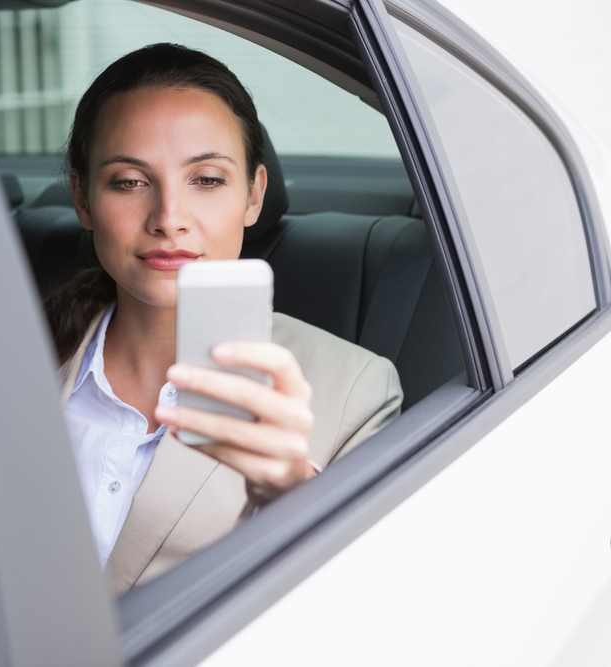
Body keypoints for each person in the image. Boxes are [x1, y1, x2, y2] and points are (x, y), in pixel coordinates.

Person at [45, 43, 402, 596]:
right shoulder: (11, 361)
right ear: (83, 199)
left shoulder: (353, 393)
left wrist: (291, 495)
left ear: (253, 195)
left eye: (207, 179)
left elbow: (369, 607)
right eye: (129, 181)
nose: (169, 219)